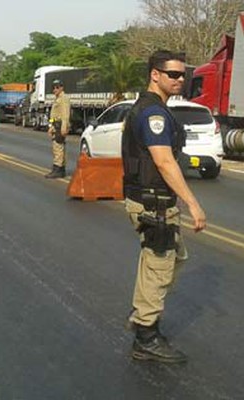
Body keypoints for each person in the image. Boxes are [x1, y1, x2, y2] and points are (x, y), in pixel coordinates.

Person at [122, 50, 207, 363]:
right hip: (153, 202)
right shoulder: (151, 113)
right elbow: (163, 160)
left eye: (183, 74)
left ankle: (143, 314)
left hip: (153, 200)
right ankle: (146, 336)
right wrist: (193, 203)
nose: (180, 80)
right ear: (154, 75)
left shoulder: (155, 108)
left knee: (165, 260)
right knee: (160, 265)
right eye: (173, 74)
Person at [45, 79, 70, 178]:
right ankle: (60, 168)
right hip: (55, 125)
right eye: (53, 87)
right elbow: (52, 116)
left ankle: (58, 168)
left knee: (58, 147)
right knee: (57, 147)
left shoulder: (64, 98)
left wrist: (64, 127)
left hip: (60, 125)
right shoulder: (57, 98)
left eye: (57, 87)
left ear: (61, 88)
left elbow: (65, 114)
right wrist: (50, 126)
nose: (54, 89)